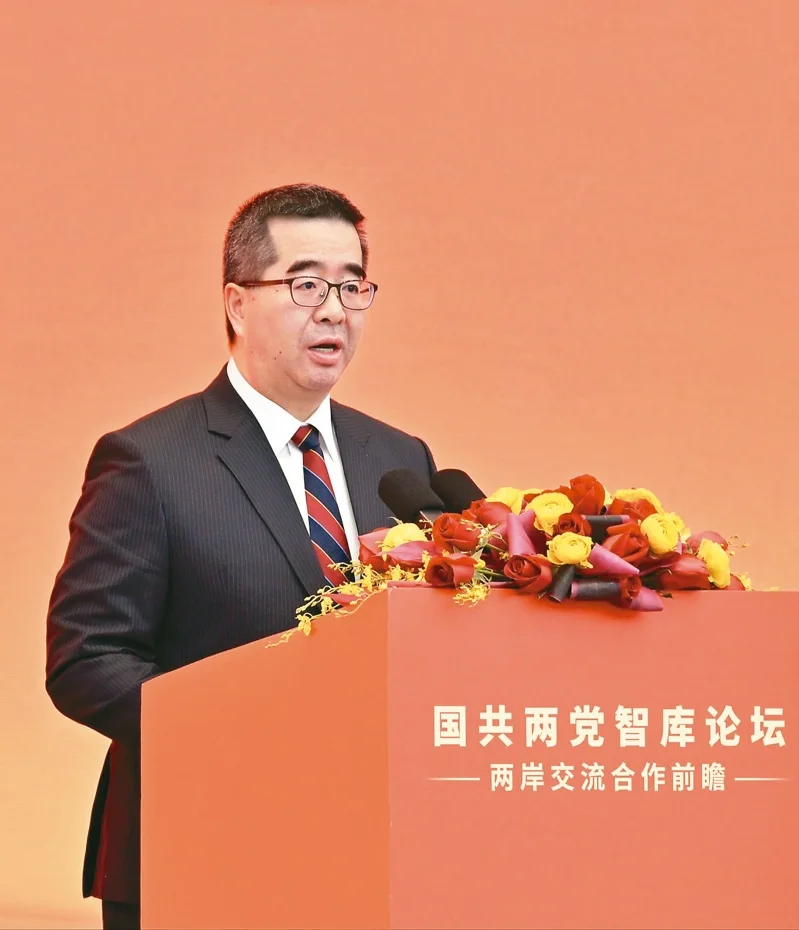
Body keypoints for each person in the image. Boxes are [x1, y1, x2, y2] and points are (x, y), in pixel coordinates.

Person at [45, 183, 437, 930]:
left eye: (353, 287)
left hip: (368, 857)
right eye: (306, 284)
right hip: (198, 851)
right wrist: (250, 739)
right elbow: (88, 660)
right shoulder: (151, 460)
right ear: (236, 303)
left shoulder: (398, 459)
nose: (335, 310)